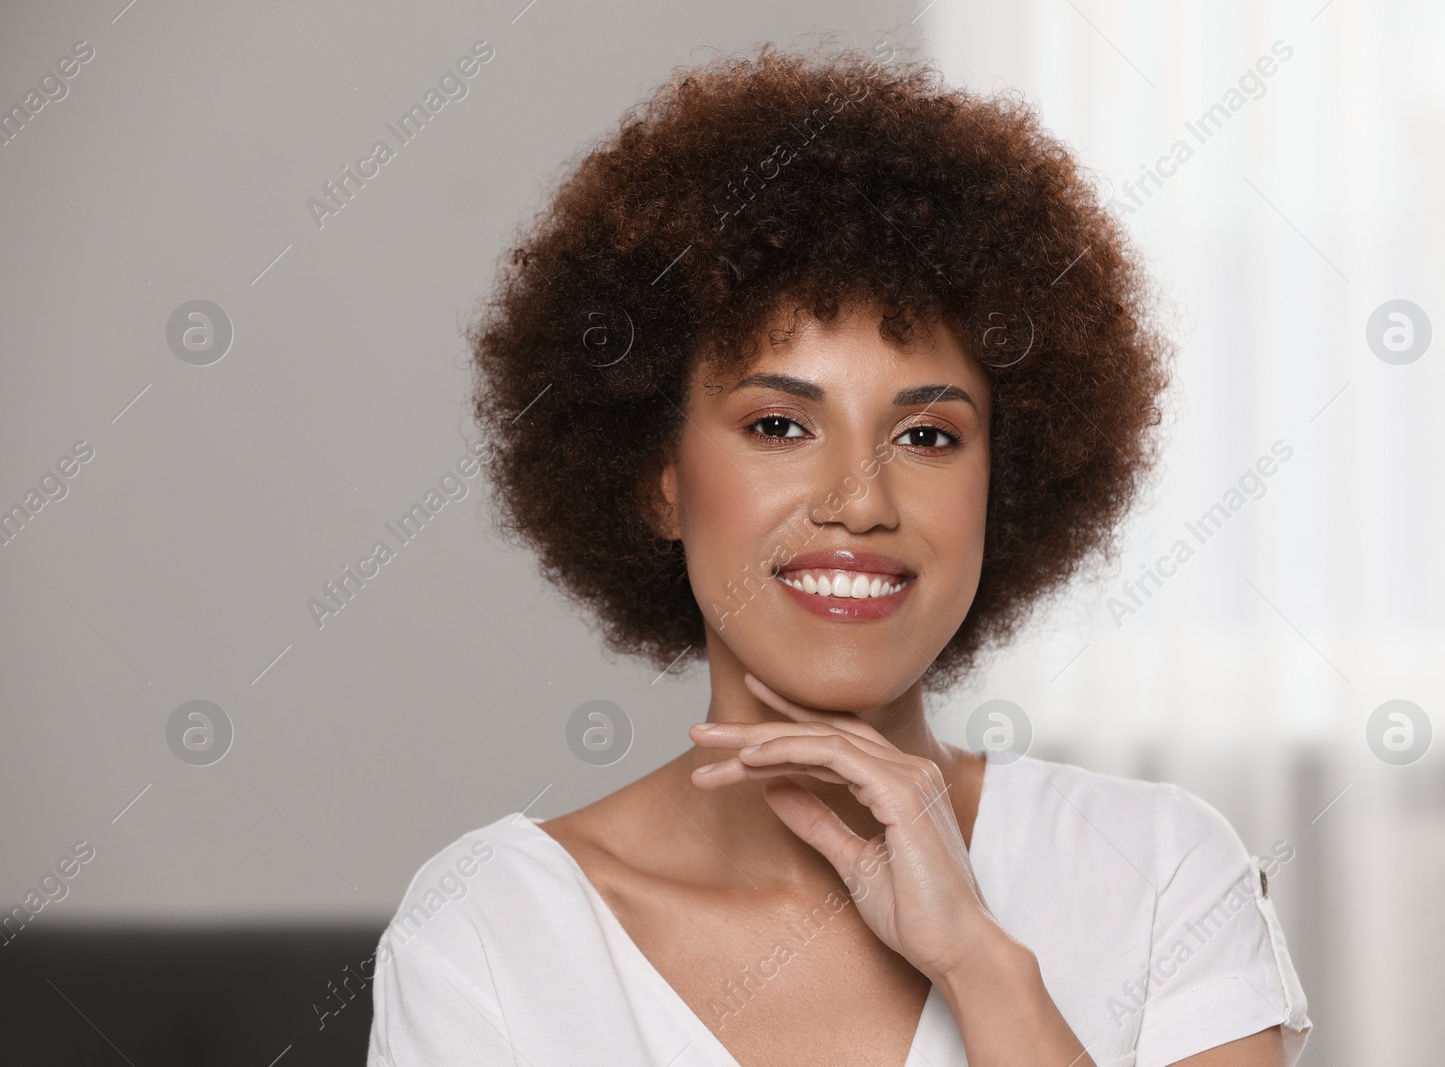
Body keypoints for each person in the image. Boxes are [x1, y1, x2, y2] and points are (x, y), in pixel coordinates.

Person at [367, 41, 1312, 1067]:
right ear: (658, 477)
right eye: (778, 425)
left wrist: (981, 964)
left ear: (1008, 482)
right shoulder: (490, 930)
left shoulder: (1160, 869)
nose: (859, 503)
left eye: (927, 436)